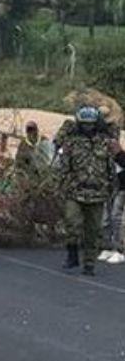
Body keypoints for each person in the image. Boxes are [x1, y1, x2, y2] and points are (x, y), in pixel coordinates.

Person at [57, 105, 115, 275]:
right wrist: (62, 185)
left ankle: (89, 263)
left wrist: (111, 188)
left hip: (98, 193)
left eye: (91, 124)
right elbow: (64, 167)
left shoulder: (106, 142)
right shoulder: (71, 142)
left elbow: (110, 168)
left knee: (93, 230)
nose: (88, 127)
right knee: (71, 222)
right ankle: (72, 252)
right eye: (84, 124)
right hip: (75, 191)